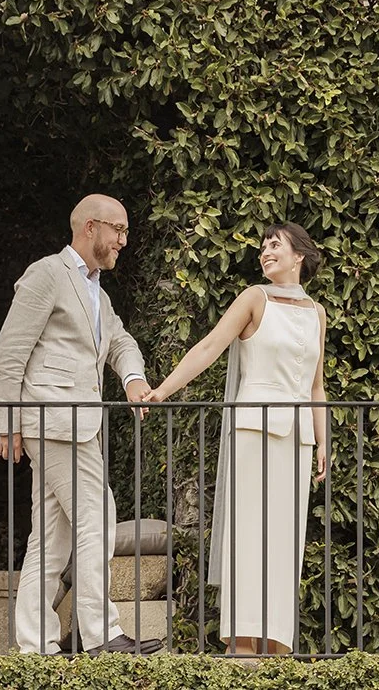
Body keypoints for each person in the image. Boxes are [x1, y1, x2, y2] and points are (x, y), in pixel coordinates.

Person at [0, 193, 162, 656]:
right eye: (118, 230)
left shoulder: (97, 291)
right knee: (98, 516)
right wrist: (8, 422)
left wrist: (132, 379)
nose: (123, 240)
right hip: (53, 418)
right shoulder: (47, 274)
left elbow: (121, 340)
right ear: (91, 228)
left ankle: (35, 649)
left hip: (75, 422)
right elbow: (10, 352)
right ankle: (101, 635)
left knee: (50, 538)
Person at [148, 222, 328, 656]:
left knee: (285, 540)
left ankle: (276, 641)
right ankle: (242, 642)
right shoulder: (253, 298)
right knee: (250, 534)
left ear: (298, 255)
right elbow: (210, 347)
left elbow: (316, 385)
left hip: (298, 439)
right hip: (252, 432)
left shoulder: (317, 312)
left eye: (275, 245)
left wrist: (325, 443)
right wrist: (162, 392)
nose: (265, 252)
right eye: (263, 246)